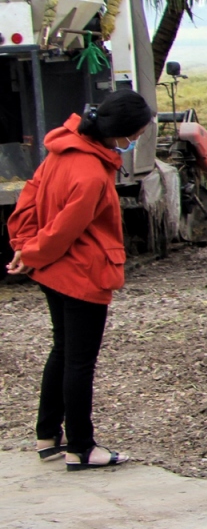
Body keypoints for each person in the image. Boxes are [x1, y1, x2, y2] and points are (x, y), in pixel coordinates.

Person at [6, 90, 153, 470]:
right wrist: (34, 251)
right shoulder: (91, 172)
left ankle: (47, 435)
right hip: (82, 271)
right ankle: (82, 446)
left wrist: (24, 247)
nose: (133, 142)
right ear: (119, 133)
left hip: (53, 271)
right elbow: (63, 231)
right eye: (134, 135)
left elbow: (30, 197)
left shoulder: (61, 150)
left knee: (63, 350)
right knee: (80, 362)